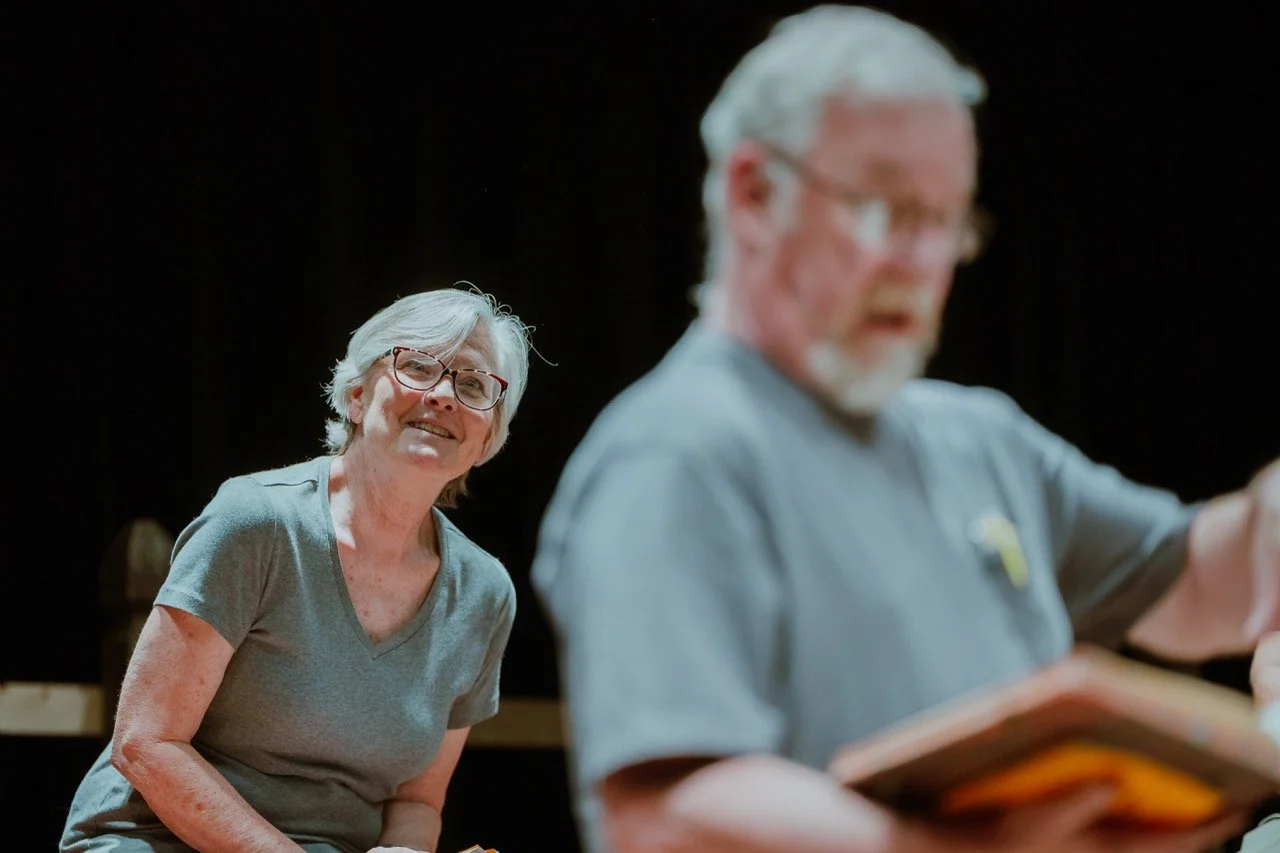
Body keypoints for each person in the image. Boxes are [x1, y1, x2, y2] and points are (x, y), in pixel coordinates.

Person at [530, 6, 1280, 853]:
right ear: (753, 193)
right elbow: (663, 818)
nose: (920, 262)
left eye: (947, 221)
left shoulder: (984, 440)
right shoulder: (677, 452)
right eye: (885, 210)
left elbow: (1202, 586)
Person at [61, 286, 532, 852]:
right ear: (357, 396)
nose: (443, 396)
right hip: (156, 839)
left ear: (488, 438)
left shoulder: (484, 593)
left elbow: (416, 801)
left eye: (473, 383)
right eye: (418, 366)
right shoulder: (257, 521)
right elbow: (146, 743)